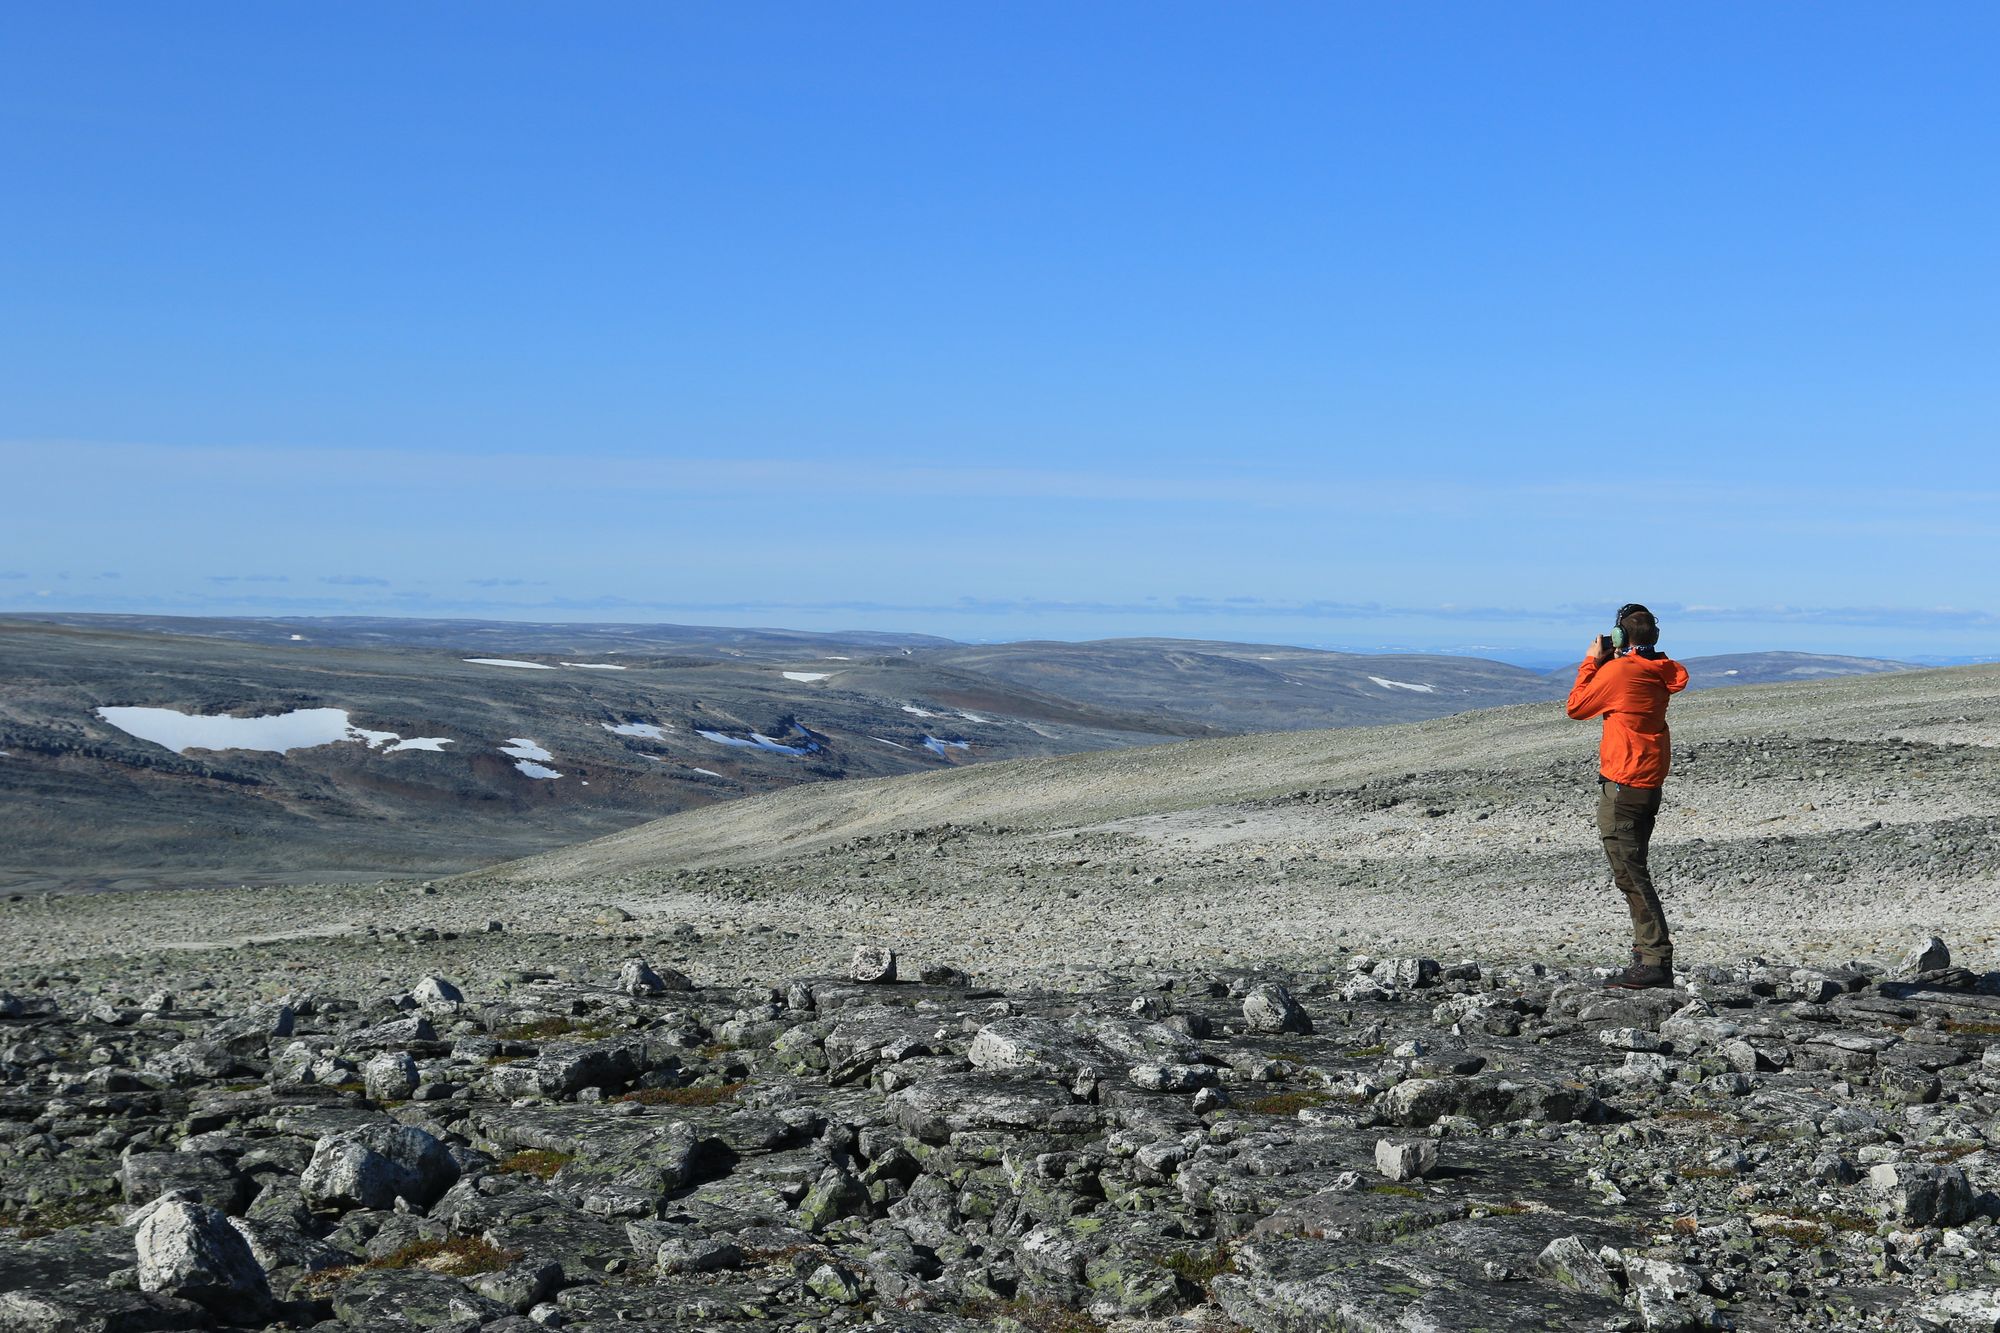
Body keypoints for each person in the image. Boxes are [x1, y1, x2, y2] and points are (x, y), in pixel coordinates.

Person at [1566, 603, 1689, 989]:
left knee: (1631, 874)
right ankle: (1645, 951)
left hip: (1624, 783)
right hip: (1645, 782)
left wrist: (1591, 662)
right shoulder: (1660, 669)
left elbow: (1576, 707)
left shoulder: (1621, 671)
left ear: (1621, 636)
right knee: (1630, 870)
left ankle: (1655, 959)